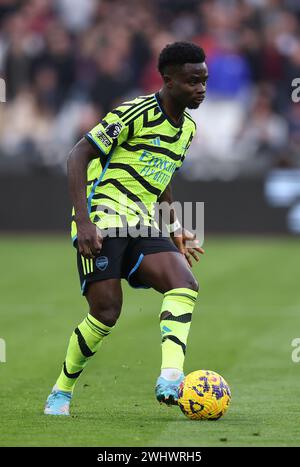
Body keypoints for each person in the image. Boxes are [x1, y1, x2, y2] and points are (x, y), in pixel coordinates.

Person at [44, 41, 208, 416]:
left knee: (184, 284)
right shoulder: (134, 112)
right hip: (102, 219)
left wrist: (176, 228)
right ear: (168, 80)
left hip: (142, 221)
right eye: (192, 81)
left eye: (204, 81)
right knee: (106, 314)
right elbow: (77, 155)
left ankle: (171, 376)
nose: (200, 89)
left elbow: (162, 178)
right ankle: (62, 390)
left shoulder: (187, 130)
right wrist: (83, 221)